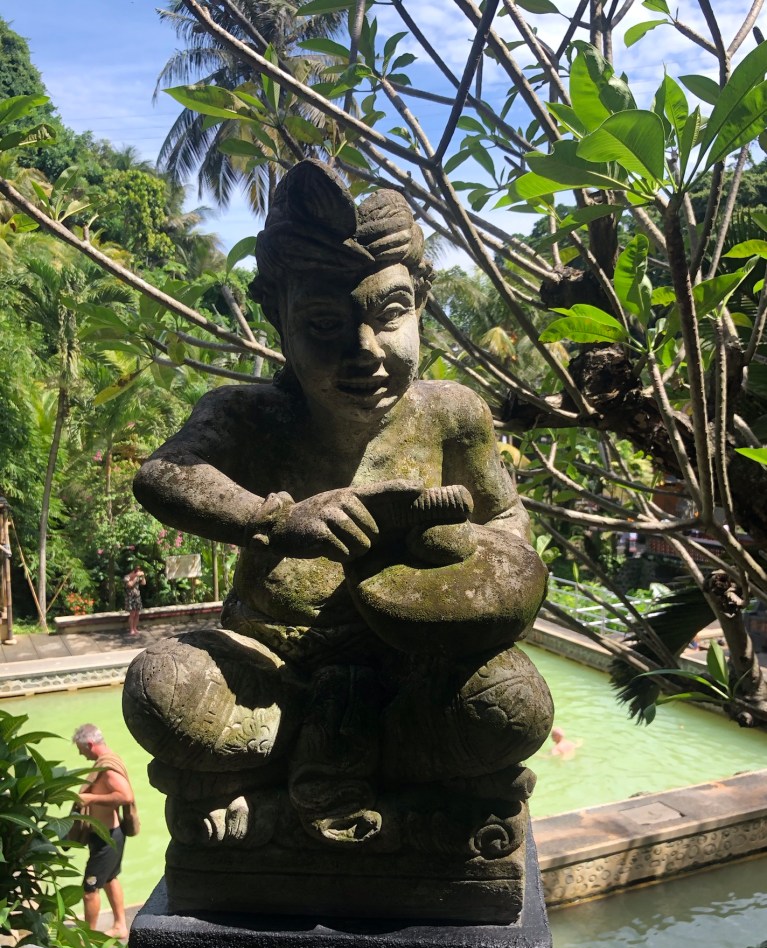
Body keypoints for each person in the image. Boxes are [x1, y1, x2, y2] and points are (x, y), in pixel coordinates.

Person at [125, 160, 552, 860]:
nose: (364, 351)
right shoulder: (250, 416)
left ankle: (285, 786)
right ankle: (402, 788)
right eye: (323, 323)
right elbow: (164, 476)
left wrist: (457, 559)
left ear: (419, 303)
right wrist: (274, 519)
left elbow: (507, 525)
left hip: (410, 673)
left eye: (390, 315)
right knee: (162, 688)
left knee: (513, 704)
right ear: (277, 317)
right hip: (274, 669)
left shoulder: (451, 415)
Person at [72, 723, 134, 940]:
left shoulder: (107, 768)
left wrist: (90, 798)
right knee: (110, 879)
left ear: (90, 744)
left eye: (81, 749)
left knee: (90, 890)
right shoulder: (107, 761)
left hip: (107, 838)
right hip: (107, 835)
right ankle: (119, 926)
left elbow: (125, 796)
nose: (81, 754)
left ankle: (87, 939)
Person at [123, 566, 146, 636]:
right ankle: (131, 629)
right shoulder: (127, 577)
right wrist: (136, 577)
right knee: (132, 614)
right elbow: (130, 584)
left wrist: (143, 576)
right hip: (130, 597)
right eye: (136, 571)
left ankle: (135, 628)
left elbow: (144, 583)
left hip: (137, 597)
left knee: (137, 613)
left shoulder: (138, 577)